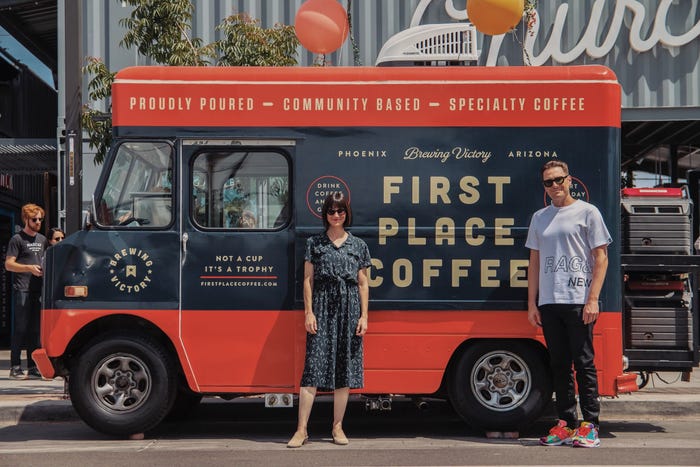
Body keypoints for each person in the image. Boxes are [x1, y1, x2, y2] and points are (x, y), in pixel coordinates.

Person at [526, 161, 610, 448]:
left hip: (578, 301)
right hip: (550, 301)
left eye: (559, 179)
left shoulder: (588, 212)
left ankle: (590, 425)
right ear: (544, 187)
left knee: (584, 363)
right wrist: (533, 303)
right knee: (559, 365)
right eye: (548, 182)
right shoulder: (539, 217)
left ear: (570, 180)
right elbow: (534, 262)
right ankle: (565, 424)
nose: (555, 186)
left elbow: (601, 257)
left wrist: (593, 299)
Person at [287, 192, 371, 448]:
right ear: (325, 214)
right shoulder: (315, 243)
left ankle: (337, 427)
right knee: (312, 367)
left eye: (341, 211)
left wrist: (364, 316)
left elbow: (363, 283)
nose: (336, 215)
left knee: (344, 369)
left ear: (347, 213)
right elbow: (308, 280)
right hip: (322, 307)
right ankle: (301, 430)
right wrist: (308, 312)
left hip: (349, 308)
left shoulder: (358, 245)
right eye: (332, 211)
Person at [5, 203, 47, 380]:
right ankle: (15, 366)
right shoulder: (17, 239)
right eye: (34, 219)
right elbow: (8, 264)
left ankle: (32, 366)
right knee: (21, 328)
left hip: (38, 289)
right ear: (25, 219)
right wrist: (29, 268)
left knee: (35, 330)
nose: (38, 222)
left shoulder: (42, 240)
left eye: (40, 219)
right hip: (22, 288)